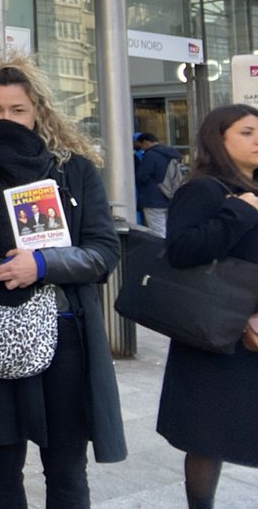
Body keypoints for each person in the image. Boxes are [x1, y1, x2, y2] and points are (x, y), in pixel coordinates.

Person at [0, 55, 126, 508]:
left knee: (66, 463)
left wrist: (43, 265)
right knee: (3, 456)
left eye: (18, 110)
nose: (6, 120)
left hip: (66, 331)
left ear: (39, 112)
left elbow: (104, 253)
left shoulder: (74, 170)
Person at [156, 104, 258, 509]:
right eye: (247, 132)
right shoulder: (202, 189)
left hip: (252, 331)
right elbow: (181, 251)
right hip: (215, 334)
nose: (257, 140)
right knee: (207, 436)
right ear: (220, 138)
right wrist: (239, 211)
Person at [135, 131, 182, 237]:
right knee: (167, 228)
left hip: (153, 198)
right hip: (169, 196)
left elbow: (142, 176)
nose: (141, 149)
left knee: (157, 231)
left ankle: (162, 253)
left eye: (141, 146)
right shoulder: (171, 154)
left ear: (146, 142)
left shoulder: (151, 155)